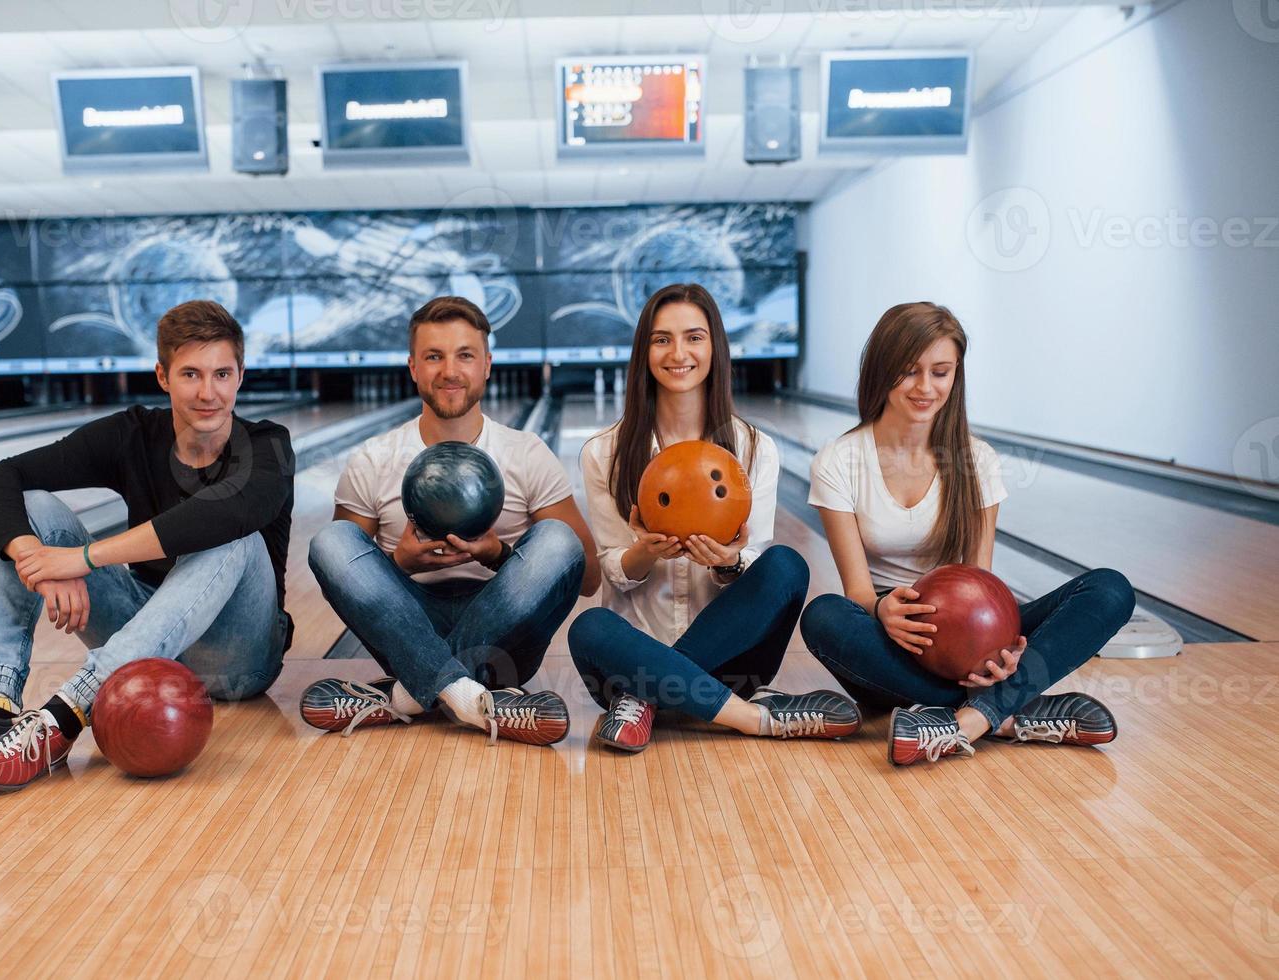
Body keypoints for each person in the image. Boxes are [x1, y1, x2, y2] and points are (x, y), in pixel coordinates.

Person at [0, 299, 296, 791]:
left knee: (233, 534)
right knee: (34, 508)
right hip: (142, 629)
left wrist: (81, 558)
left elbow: (224, 515)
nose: (208, 392)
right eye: (190, 374)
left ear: (240, 376)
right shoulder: (132, 435)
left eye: (221, 374)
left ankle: (68, 709)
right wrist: (34, 558)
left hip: (236, 658)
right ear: (163, 376)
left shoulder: (269, 444)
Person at [799, 301, 1135, 766]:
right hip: (894, 641)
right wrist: (882, 608)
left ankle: (968, 721)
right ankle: (1009, 713)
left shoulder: (977, 461)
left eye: (940, 372)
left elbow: (981, 582)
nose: (925, 387)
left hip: (971, 634)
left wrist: (1002, 649)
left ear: (956, 376)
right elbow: (856, 590)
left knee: (1109, 589)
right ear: (882, 369)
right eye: (909, 371)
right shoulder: (839, 460)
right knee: (823, 617)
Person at [566, 283, 861, 753]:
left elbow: (757, 568)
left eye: (693, 337)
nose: (677, 352)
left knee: (786, 564)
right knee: (590, 628)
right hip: (631, 658)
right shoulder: (604, 453)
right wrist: (643, 553)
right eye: (661, 339)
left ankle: (647, 702)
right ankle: (755, 719)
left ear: (715, 347)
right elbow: (614, 572)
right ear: (643, 351)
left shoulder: (754, 448)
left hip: (730, 664)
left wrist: (727, 561)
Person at [304, 296, 600, 746]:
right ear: (413, 367)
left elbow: (588, 577)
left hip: (505, 637)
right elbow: (346, 572)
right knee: (331, 541)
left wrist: (499, 555)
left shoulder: (526, 453)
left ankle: (408, 694)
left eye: (464, 355)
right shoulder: (373, 459)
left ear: (486, 365)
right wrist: (398, 562)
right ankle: (474, 698)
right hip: (408, 623)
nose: (449, 370)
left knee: (559, 540)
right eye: (434, 356)